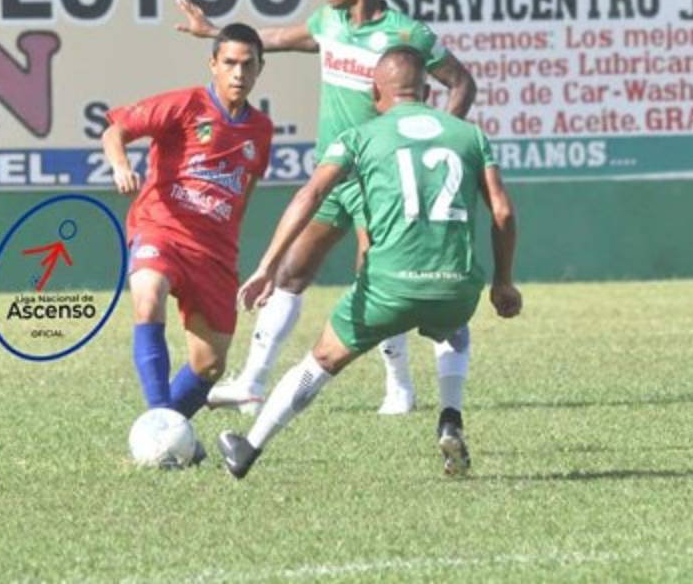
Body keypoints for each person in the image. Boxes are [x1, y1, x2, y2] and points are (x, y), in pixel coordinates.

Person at [176, 0, 478, 415]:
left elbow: (461, 82)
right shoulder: (328, 22)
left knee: (378, 275)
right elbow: (271, 38)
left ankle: (399, 387)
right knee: (292, 272)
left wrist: (434, 134)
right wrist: (213, 31)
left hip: (380, 179)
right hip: (333, 173)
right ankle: (253, 382)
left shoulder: (406, 35)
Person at [215, 48, 520, 479]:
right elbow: (504, 212)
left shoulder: (359, 136)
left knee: (320, 362)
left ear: (377, 92)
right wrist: (503, 282)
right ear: (428, 91)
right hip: (456, 287)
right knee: (453, 325)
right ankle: (450, 416)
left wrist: (268, 264)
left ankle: (248, 447)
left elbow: (310, 196)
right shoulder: (469, 135)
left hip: (388, 288)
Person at [102, 23, 273, 462]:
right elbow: (115, 130)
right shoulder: (185, 105)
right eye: (229, 63)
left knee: (209, 365)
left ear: (259, 69)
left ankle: (164, 439)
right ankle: (160, 423)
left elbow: (244, 196)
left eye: (248, 64)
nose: (238, 72)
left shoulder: (260, 131)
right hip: (160, 227)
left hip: (214, 252)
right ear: (212, 65)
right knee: (147, 297)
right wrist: (120, 166)